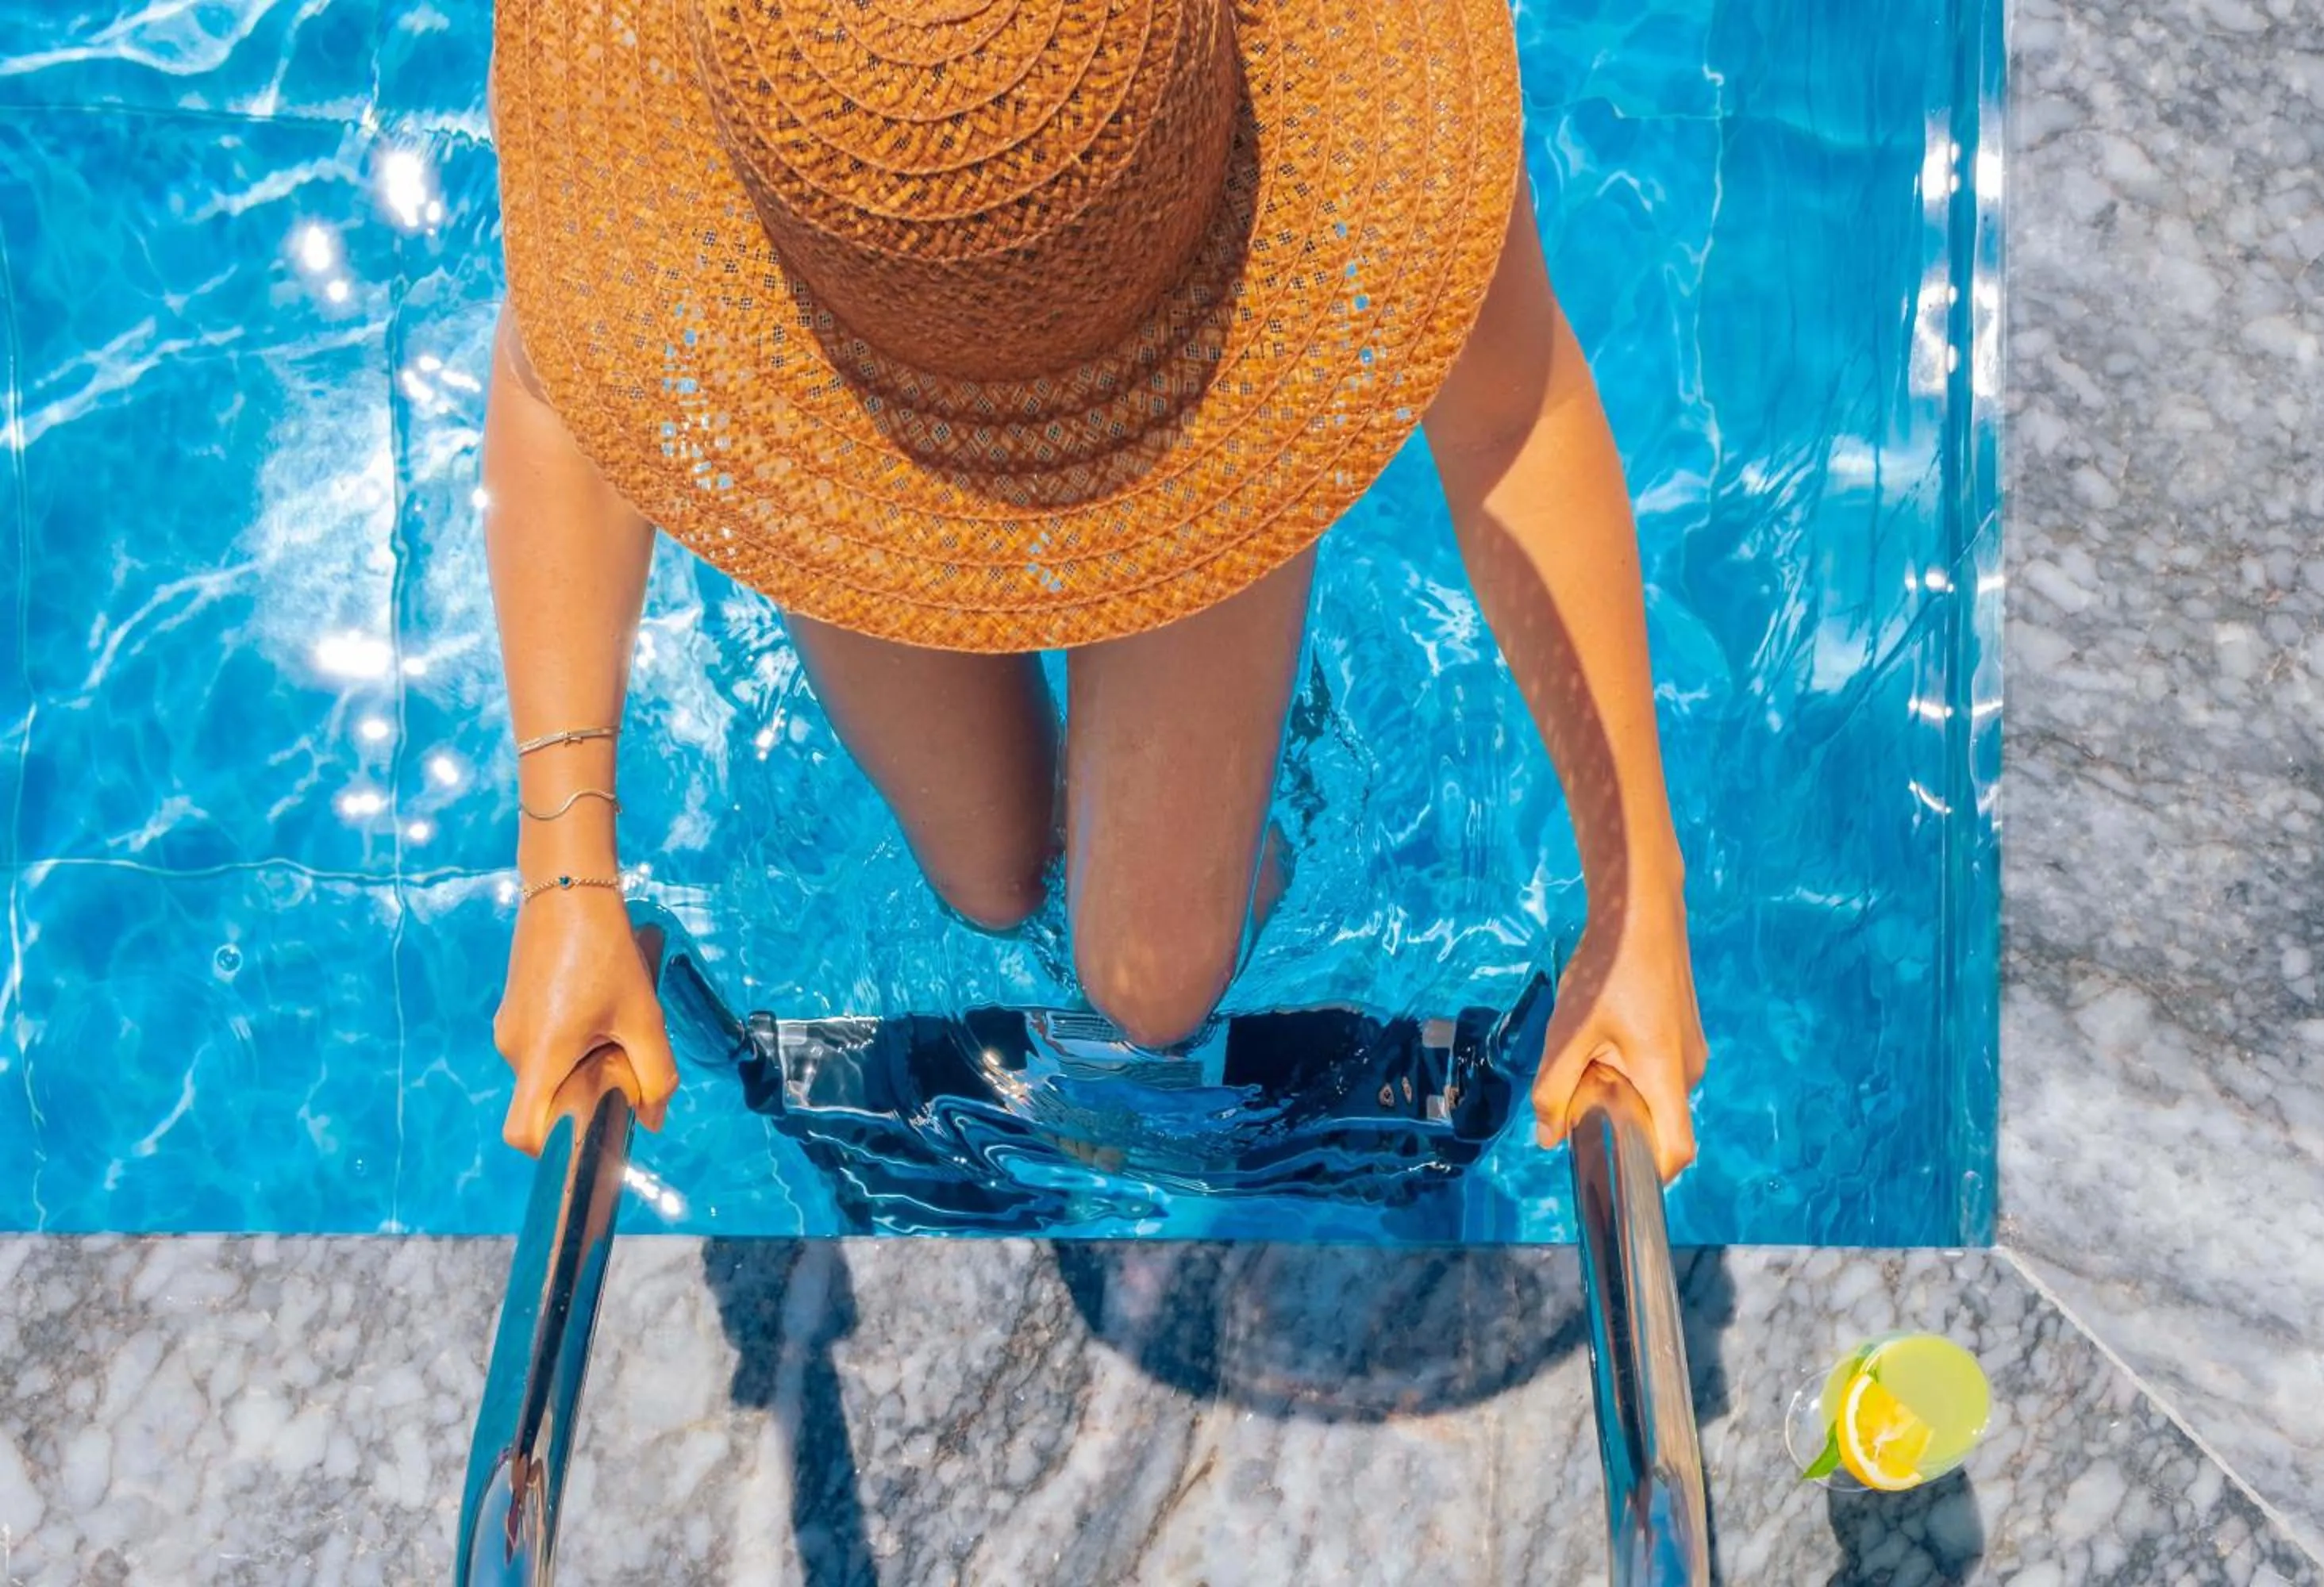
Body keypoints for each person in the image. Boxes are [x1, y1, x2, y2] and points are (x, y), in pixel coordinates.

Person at [482, 0, 1710, 1180]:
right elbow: (557, 392)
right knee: (988, 881)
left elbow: (1516, 410)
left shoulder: (1329, 97)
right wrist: (568, 879)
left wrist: (1636, 897)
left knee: (1154, 983)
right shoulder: (755, 82)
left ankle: (1260, 761)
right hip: (839, 342)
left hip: (1196, 331)